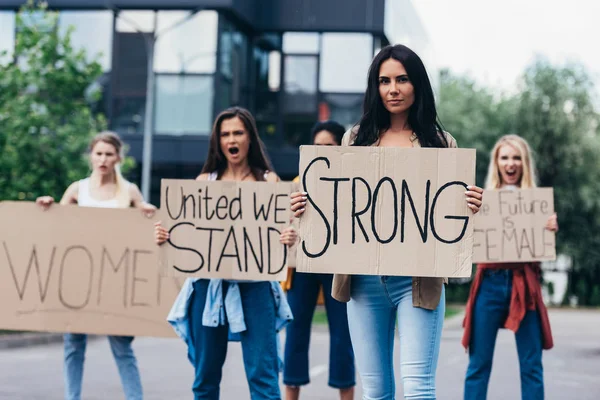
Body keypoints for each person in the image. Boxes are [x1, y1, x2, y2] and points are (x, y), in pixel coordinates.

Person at [290, 44, 484, 399]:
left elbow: (448, 217)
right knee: (376, 390)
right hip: (363, 282)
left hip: (417, 281)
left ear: (417, 85)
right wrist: (308, 205)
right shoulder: (355, 139)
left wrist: (470, 204)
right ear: (375, 88)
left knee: (418, 388)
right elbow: (336, 205)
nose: (392, 89)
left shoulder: (442, 144)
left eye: (402, 79)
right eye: (384, 81)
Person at [155, 106, 294, 400]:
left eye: (238, 133)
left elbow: (283, 235)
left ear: (250, 139)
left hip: (256, 289)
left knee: (263, 378)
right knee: (205, 378)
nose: (232, 139)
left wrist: (288, 236)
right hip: (208, 288)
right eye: (225, 134)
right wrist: (166, 236)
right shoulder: (203, 183)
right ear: (218, 141)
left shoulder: (268, 182)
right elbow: (185, 234)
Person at [36, 131, 156, 400]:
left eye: (109, 154)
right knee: (73, 344)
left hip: (116, 279)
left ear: (118, 158)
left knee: (122, 345)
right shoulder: (77, 189)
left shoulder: (130, 192)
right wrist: (48, 205)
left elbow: (147, 226)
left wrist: (148, 212)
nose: (103, 159)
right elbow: (57, 223)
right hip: (80, 279)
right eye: (98, 153)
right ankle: (72, 397)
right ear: (91, 156)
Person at [462, 134, 557, 400]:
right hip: (489, 283)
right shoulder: (481, 200)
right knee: (478, 365)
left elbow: (538, 250)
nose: (511, 163)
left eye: (516, 157)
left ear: (524, 163)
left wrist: (549, 229)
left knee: (531, 366)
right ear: (497, 163)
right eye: (505, 157)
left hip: (523, 285)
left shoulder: (536, 203)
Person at [283, 121, 355, 400]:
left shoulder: (352, 184)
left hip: (337, 266)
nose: (322, 151)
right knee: (295, 332)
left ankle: (345, 392)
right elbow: (282, 227)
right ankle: (291, 393)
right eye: (318, 146)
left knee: (342, 335)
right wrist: (289, 230)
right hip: (302, 267)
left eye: (329, 146)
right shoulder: (295, 185)